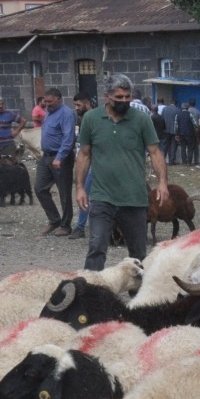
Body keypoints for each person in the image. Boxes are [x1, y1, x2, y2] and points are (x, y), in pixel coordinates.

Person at [75, 74, 168, 271]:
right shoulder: (91, 119)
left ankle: (140, 299)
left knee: (138, 253)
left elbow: (155, 152)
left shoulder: (142, 119)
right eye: (119, 98)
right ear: (106, 96)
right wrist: (80, 188)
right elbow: (84, 155)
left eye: (128, 97)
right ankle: (92, 293)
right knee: (97, 248)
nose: (124, 101)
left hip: (134, 198)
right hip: (102, 197)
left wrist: (162, 183)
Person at [34, 86, 77, 237]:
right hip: (46, 156)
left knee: (64, 192)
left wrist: (60, 157)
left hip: (61, 158)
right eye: (45, 101)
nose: (47, 104)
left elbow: (68, 137)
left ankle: (65, 226)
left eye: (50, 101)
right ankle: (54, 220)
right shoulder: (47, 113)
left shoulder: (66, 114)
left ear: (59, 99)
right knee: (39, 188)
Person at [69, 93, 93, 238]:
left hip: (93, 162)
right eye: (75, 105)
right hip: (88, 161)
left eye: (78, 105)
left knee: (85, 193)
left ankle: (80, 227)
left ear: (87, 103)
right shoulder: (85, 118)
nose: (76, 108)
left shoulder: (91, 119)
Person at [176, 102, 198, 166]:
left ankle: (184, 162)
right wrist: (197, 128)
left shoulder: (178, 115)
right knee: (190, 148)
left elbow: (176, 126)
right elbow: (195, 124)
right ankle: (189, 162)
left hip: (181, 134)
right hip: (190, 134)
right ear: (187, 108)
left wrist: (176, 134)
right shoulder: (190, 114)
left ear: (181, 108)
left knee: (183, 148)